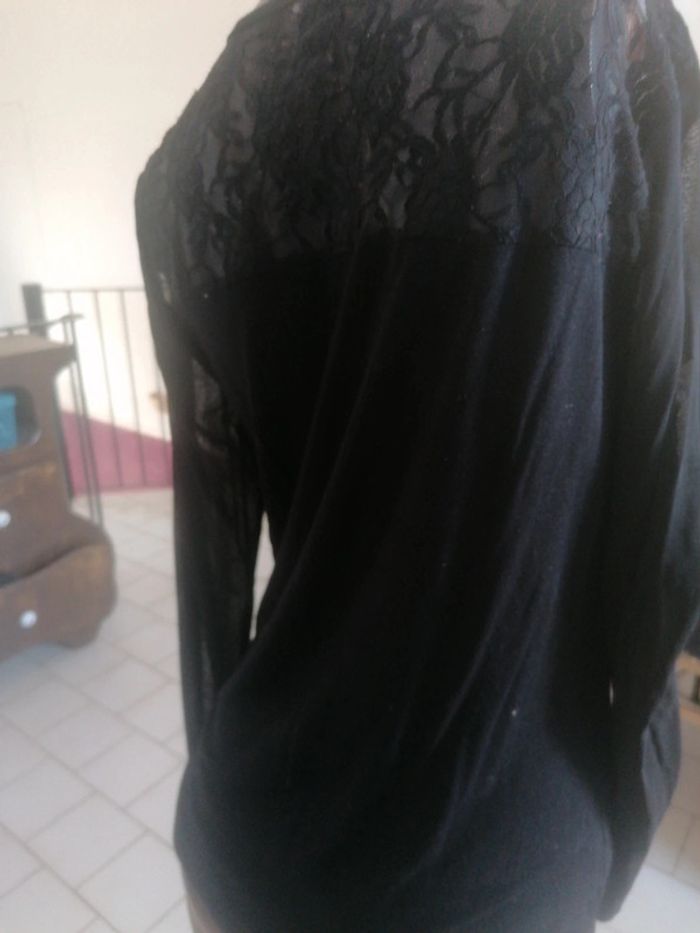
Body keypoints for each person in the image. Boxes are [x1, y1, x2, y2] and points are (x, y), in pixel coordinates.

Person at [134, 0, 700, 930]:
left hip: (253, 828)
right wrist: (629, 792)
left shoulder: (207, 142)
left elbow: (215, 542)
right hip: (502, 848)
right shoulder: (612, 37)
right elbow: (667, 490)